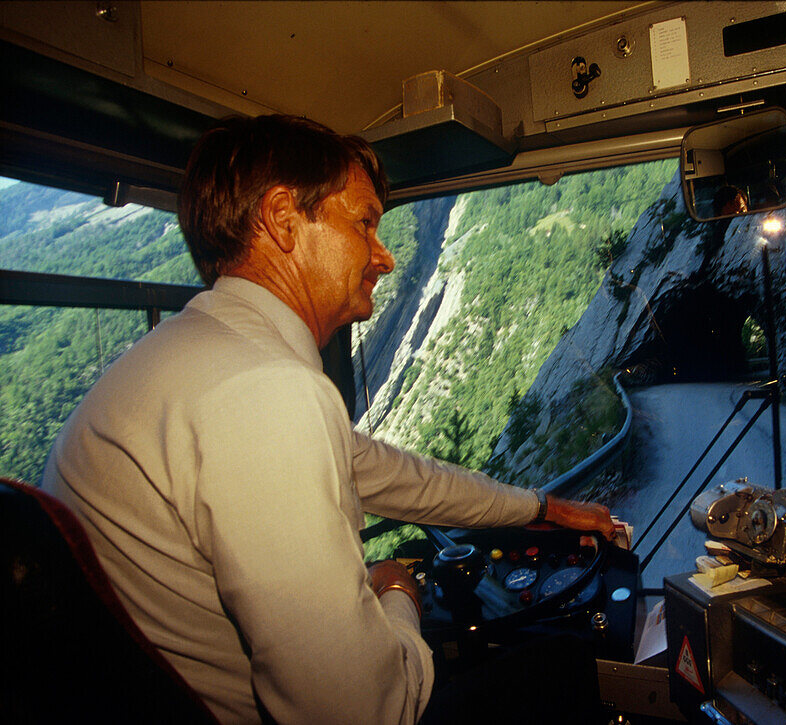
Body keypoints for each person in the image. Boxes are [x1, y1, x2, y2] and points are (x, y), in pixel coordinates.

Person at [40, 114, 614, 724]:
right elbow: (362, 712)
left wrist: (541, 509)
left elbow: (402, 477)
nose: (384, 257)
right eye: (364, 222)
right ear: (283, 219)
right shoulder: (265, 391)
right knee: (563, 661)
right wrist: (396, 593)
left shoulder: (190, 359)